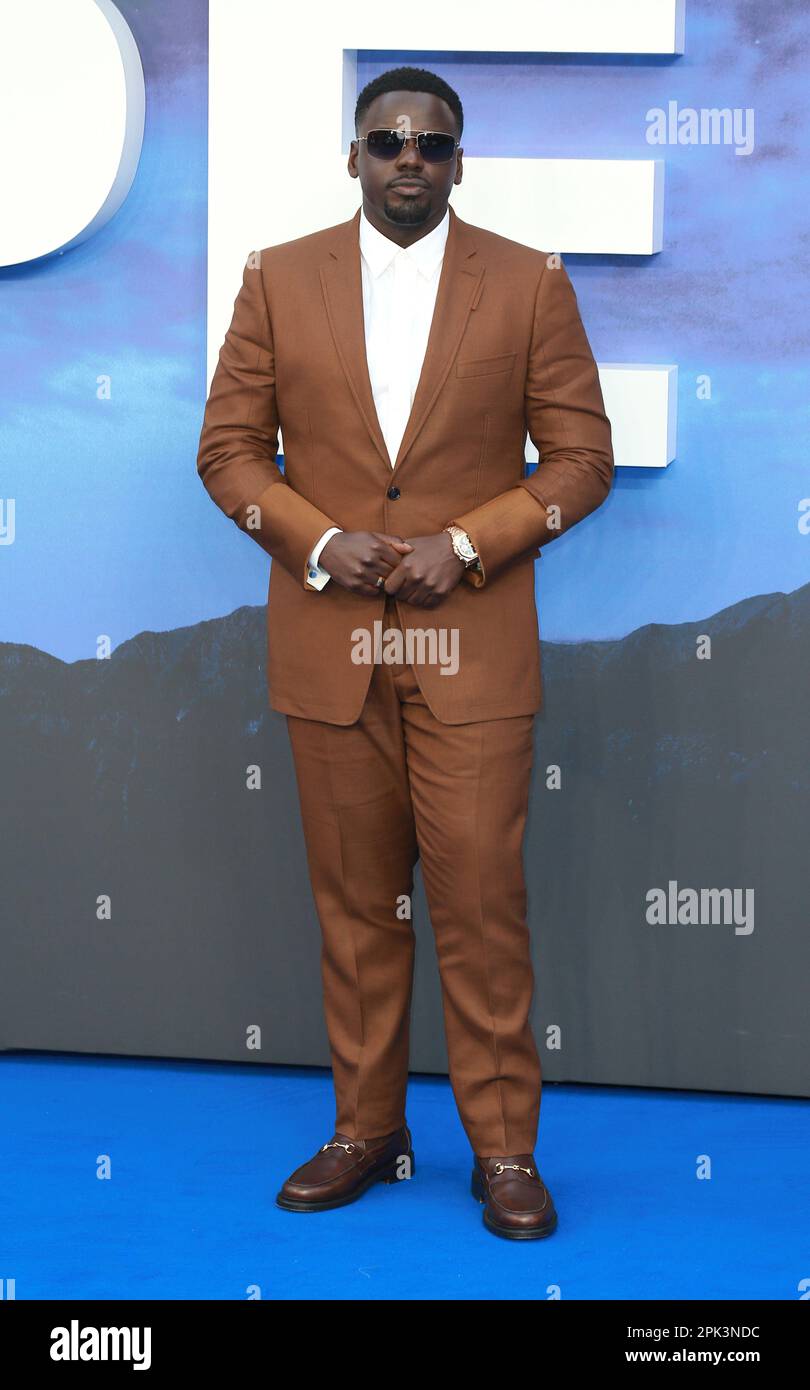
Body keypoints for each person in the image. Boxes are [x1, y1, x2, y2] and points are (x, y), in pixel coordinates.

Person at [196, 65, 613, 1240]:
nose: (409, 159)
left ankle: (505, 1150)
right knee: (355, 906)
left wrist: (469, 545)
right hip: (329, 641)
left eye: (432, 142)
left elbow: (581, 460)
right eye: (387, 140)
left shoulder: (528, 283)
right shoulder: (279, 278)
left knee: (482, 897)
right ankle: (368, 1133)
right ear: (354, 158)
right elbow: (228, 450)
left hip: (470, 645)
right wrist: (322, 541)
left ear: (460, 160)